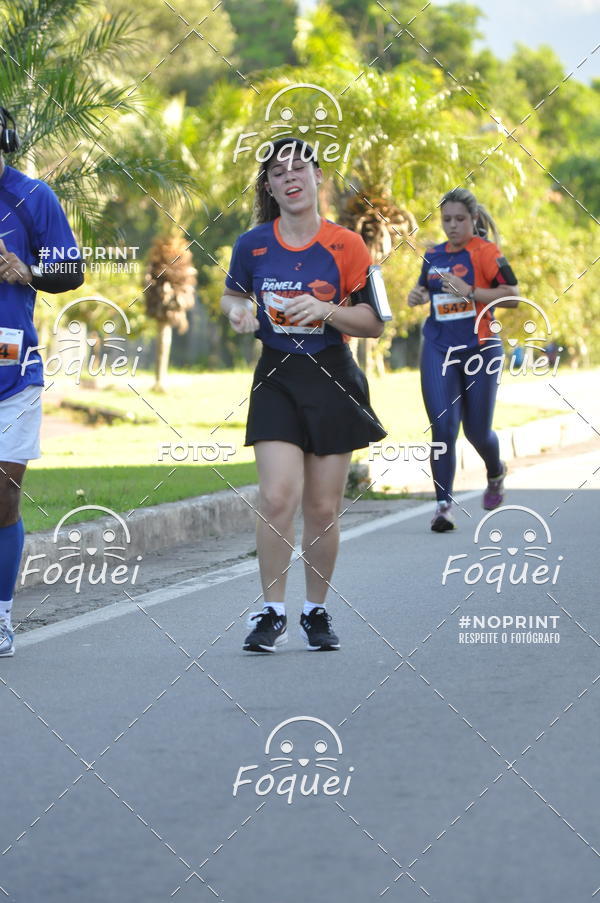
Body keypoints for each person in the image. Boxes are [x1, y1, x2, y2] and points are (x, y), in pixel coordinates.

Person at [221, 137, 386, 653]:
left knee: (320, 507)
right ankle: (271, 612)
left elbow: (375, 323)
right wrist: (239, 312)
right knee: (276, 496)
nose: (289, 177)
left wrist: (327, 312)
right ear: (268, 187)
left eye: (299, 168)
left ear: (318, 178)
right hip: (277, 375)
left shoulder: (349, 246)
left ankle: (316, 611)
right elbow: (233, 294)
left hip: (332, 376)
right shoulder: (252, 245)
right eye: (276, 172)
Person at [0, 106, 84, 657]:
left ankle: (1, 616)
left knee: (3, 504)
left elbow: (70, 270)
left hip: (12, 374)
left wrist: (24, 272)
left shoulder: (33, 198)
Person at [407, 187, 519, 532]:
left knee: (476, 431)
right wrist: (418, 294)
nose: (452, 226)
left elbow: (513, 297)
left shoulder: (486, 253)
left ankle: (495, 471)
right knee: (442, 428)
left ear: (473, 220)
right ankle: (443, 507)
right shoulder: (434, 255)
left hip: (481, 347)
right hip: (439, 347)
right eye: (446, 220)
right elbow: (425, 289)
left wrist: (468, 291)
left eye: (459, 219)